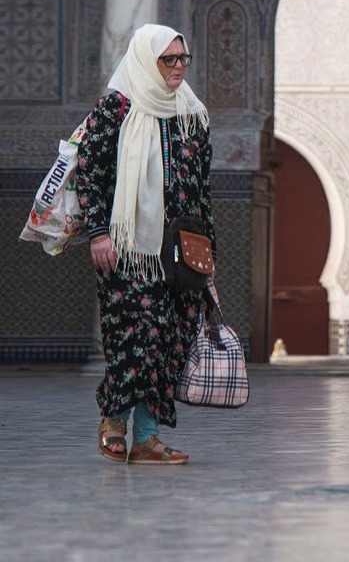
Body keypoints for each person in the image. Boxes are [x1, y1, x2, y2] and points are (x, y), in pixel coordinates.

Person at [77, 24, 213, 465]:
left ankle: (148, 439)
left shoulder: (190, 113)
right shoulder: (115, 109)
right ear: (145, 60)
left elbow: (200, 189)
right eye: (167, 59)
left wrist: (207, 254)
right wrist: (98, 233)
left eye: (182, 59)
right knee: (136, 334)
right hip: (129, 252)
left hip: (180, 253)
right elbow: (90, 177)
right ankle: (115, 420)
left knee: (169, 340)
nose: (177, 67)